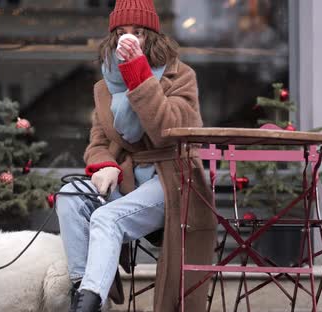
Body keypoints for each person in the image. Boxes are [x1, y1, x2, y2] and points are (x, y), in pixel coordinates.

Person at [56, 0, 216, 311]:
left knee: (106, 218)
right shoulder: (104, 87)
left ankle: (86, 305)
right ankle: (85, 295)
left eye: (139, 32)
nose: (130, 38)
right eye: (122, 32)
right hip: (129, 181)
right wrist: (104, 166)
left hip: (172, 180)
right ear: (112, 39)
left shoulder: (179, 76)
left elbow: (168, 129)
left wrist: (138, 75)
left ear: (153, 38)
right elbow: (98, 142)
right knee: (69, 196)